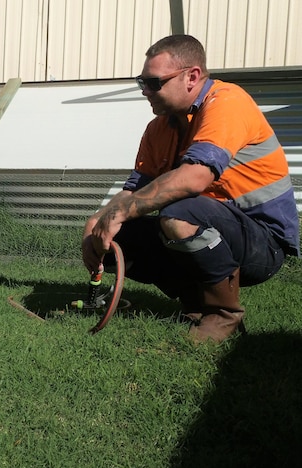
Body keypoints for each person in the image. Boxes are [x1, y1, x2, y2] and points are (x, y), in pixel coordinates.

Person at [82, 34, 299, 343]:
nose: (145, 90)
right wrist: (100, 220)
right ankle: (196, 306)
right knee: (120, 234)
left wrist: (118, 214)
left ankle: (225, 316)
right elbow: (134, 190)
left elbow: (194, 178)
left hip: (264, 244)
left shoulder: (227, 102)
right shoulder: (158, 128)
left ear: (192, 76)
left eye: (154, 82)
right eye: (140, 81)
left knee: (178, 214)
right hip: (213, 228)